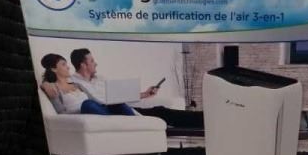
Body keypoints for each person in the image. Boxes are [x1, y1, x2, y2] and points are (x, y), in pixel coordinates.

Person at [42, 48, 203, 127]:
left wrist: (145, 94)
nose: (96, 63)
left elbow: (118, 96)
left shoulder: (100, 79)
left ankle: (204, 120)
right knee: (90, 104)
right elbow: (54, 85)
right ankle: (132, 124)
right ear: (83, 65)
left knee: (160, 110)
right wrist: (45, 83)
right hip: (101, 111)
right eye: (92, 61)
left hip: (117, 108)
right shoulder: (75, 81)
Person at [39, 54, 119, 115]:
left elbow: (95, 101)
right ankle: (112, 119)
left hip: (96, 110)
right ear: (54, 69)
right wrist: (45, 84)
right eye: (63, 64)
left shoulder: (77, 85)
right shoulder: (53, 88)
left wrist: (110, 102)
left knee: (118, 103)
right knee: (87, 104)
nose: (68, 67)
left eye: (66, 64)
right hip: (82, 114)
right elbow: (61, 112)